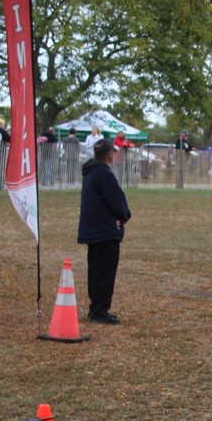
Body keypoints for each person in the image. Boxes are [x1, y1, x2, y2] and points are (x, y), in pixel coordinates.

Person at [78, 138, 132, 325]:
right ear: (110, 154)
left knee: (95, 270)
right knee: (104, 272)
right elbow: (116, 199)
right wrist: (125, 215)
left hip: (93, 229)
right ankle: (99, 310)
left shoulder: (91, 172)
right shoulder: (103, 174)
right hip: (105, 230)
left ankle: (96, 308)